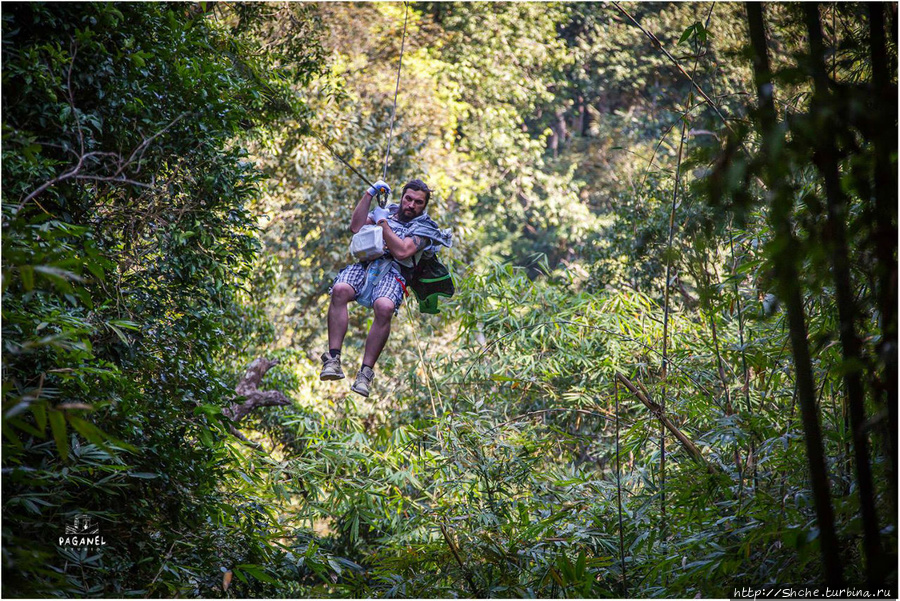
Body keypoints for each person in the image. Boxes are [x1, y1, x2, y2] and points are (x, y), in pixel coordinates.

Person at [321, 178, 451, 397]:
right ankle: (333, 358)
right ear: (402, 197)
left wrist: (382, 224)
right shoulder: (387, 211)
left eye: (418, 202)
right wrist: (369, 194)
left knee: (384, 306)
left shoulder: (425, 228)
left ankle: (365, 373)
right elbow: (355, 227)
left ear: (424, 205)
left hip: (394, 272)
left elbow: (402, 251)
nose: (411, 205)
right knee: (341, 289)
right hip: (367, 264)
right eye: (408, 199)